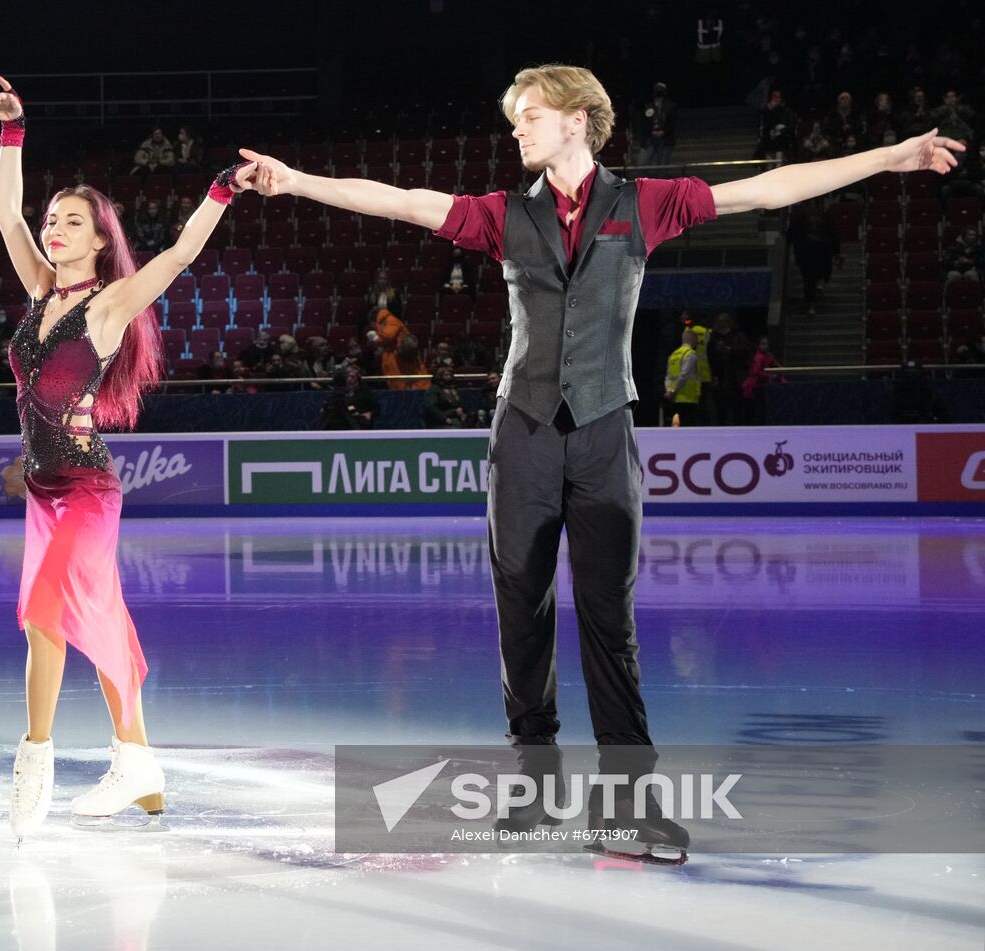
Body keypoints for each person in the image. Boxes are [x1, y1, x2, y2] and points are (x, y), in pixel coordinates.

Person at [242, 62, 964, 863]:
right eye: (516, 118)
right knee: (521, 607)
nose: (517, 129)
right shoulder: (504, 214)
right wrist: (296, 180)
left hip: (603, 432)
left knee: (608, 619)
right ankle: (533, 784)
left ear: (578, 121)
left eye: (531, 116)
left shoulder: (645, 203)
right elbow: (405, 203)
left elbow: (767, 189)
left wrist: (888, 157)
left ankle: (628, 800)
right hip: (521, 433)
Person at [0, 75, 258, 840]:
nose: (54, 228)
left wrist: (220, 190)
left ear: (101, 238)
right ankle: (138, 766)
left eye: (72, 221)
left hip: (87, 487)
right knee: (98, 613)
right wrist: (14, 133)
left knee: (46, 614)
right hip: (43, 491)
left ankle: (34, 756)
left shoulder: (108, 304)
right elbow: (5, 210)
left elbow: (177, 256)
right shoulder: (39, 290)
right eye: (53, 220)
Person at [320, 365, 378, 429]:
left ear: (358, 378)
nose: (349, 379)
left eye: (352, 377)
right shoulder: (336, 395)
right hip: (340, 423)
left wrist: (369, 413)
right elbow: (324, 410)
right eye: (347, 376)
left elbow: (376, 409)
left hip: (357, 423)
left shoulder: (366, 392)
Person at [664, 329, 702, 426]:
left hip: (674, 399)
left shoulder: (673, 355)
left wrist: (669, 390)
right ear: (692, 339)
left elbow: (668, 376)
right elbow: (684, 375)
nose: (697, 342)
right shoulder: (690, 354)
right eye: (696, 339)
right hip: (688, 398)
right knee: (689, 427)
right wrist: (674, 390)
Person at [635, 81, 676, 167]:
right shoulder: (647, 106)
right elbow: (643, 123)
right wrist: (651, 132)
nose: (659, 91)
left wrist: (664, 132)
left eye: (661, 89)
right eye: (657, 89)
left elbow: (672, 124)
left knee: (662, 168)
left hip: (665, 140)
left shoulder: (671, 106)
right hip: (649, 140)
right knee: (641, 164)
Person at [742, 336, 780, 424]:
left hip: (761, 385)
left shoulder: (768, 356)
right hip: (755, 387)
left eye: (767, 344)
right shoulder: (758, 357)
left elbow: (778, 366)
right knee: (755, 410)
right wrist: (769, 376)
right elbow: (755, 371)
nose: (766, 346)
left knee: (760, 410)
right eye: (763, 344)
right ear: (758, 345)